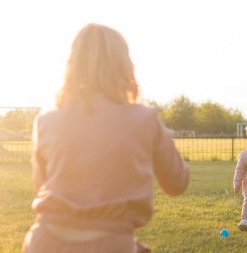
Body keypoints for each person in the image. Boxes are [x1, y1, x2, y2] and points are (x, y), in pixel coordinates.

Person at [22, 23, 190, 253]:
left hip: (43, 242)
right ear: (124, 65)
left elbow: (41, 185)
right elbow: (176, 183)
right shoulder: (144, 118)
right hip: (111, 244)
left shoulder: (46, 120)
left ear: (72, 65)